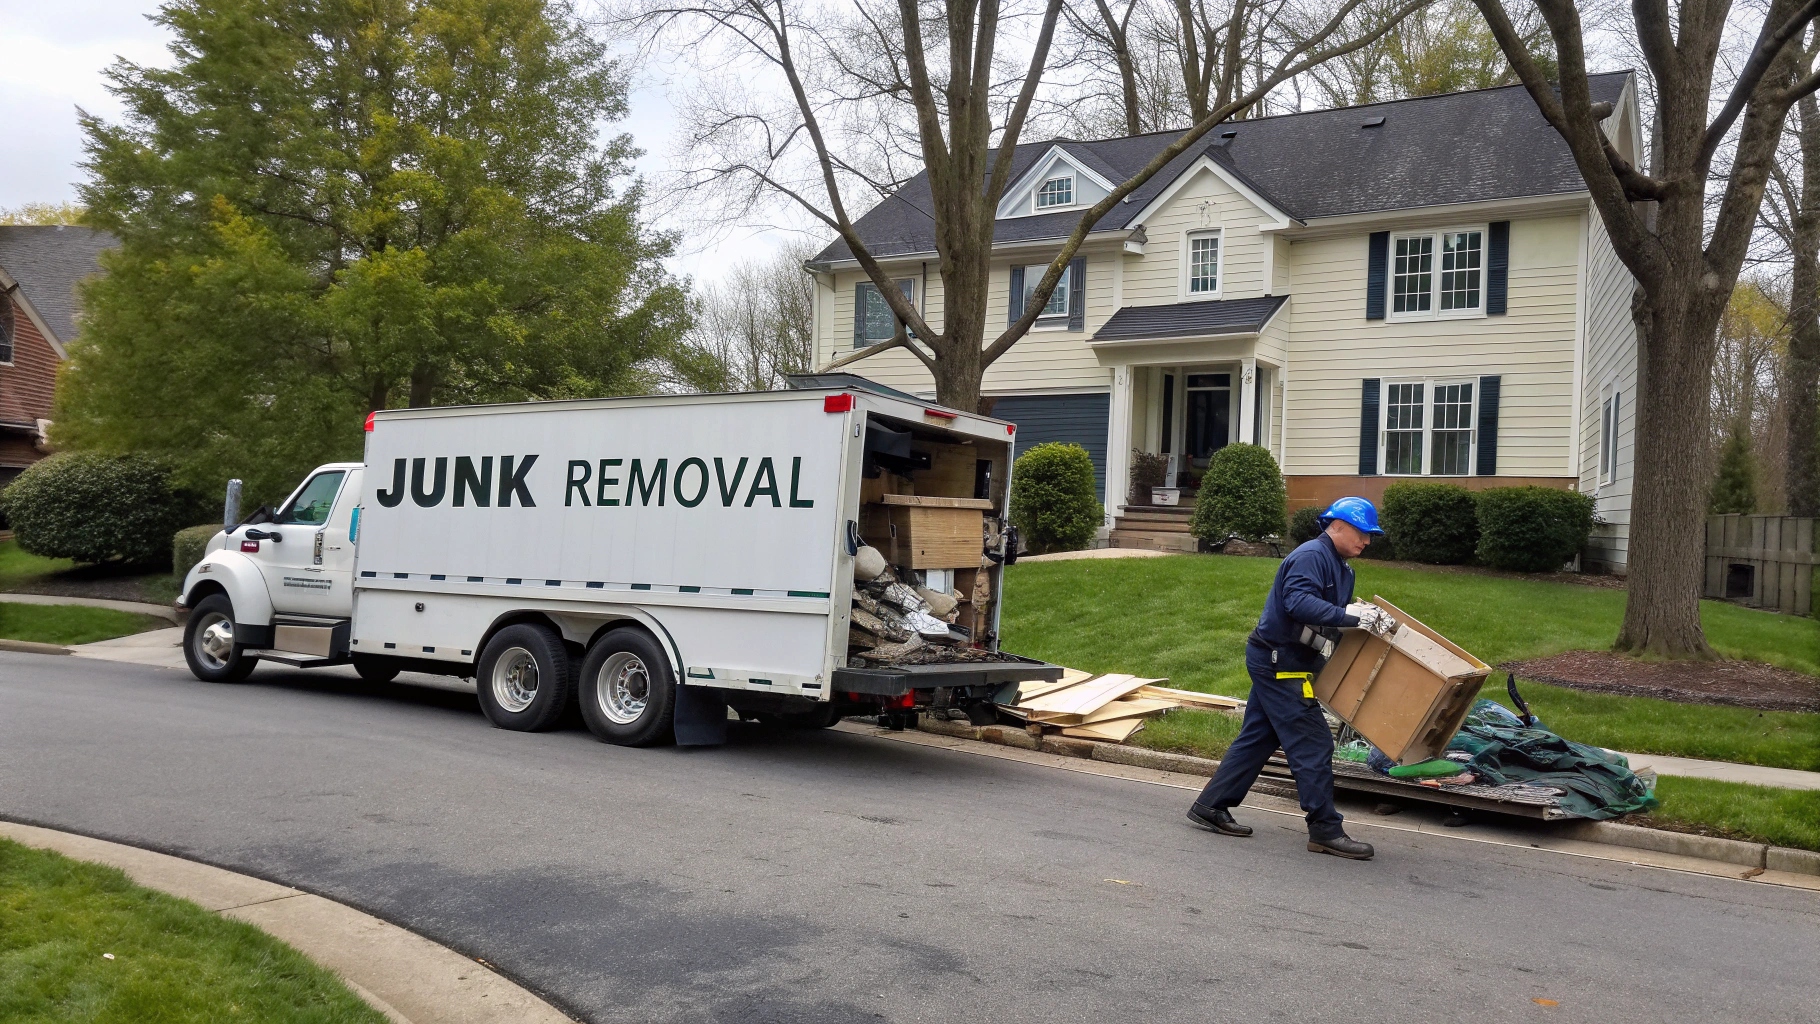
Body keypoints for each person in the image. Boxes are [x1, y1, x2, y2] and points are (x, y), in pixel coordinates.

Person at [1185, 496, 1395, 860]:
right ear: (1337, 526)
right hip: (1280, 662)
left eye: (1370, 535)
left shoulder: (1342, 568)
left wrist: (1361, 616)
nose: (1367, 541)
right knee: (1313, 743)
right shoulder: (1312, 556)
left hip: (1288, 659)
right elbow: (1298, 603)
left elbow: (1327, 617)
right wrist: (1353, 616)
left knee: (1258, 737)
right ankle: (1325, 831)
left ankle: (1211, 805)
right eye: (1363, 532)